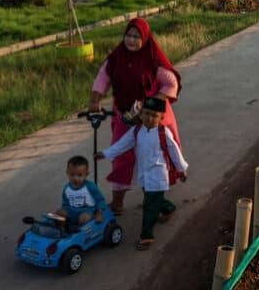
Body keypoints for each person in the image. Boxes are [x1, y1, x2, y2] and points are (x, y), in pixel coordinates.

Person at [89, 18, 182, 215]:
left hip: (150, 119)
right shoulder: (116, 57)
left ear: (145, 38)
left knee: (153, 158)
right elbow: (102, 77)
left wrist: (152, 102)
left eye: (136, 37)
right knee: (121, 156)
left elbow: (171, 83)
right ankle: (117, 203)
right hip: (124, 115)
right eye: (128, 35)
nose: (131, 40)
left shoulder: (152, 59)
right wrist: (95, 100)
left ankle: (158, 204)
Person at [95, 98, 188, 251]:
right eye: (146, 114)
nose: (149, 118)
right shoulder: (137, 131)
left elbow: (174, 151)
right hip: (144, 175)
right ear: (141, 113)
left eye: (154, 115)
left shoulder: (163, 133)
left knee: (149, 205)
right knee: (154, 199)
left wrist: (181, 169)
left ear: (161, 117)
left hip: (158, 176)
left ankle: (146, 236)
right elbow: (122, 144)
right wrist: (105, 154)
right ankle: (168, 208)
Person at [56, 156, 105, 226]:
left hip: (86, 210)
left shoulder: (90, 186)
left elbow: (100, 200)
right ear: (67, 173)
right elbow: (65, 203)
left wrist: (99, 212)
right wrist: (63, 211)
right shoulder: (67, 188)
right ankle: (62, 229)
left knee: (84, 218)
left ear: (86, 175)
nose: (75, 178)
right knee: (59, 213)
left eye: (80, 175)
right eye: (72, 175)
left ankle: (80, 232)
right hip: (71, 210)